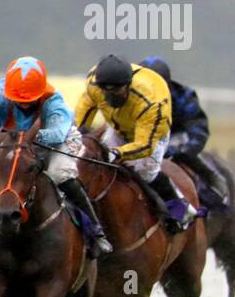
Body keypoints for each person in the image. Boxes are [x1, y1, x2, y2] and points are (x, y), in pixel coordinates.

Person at [0, 56, 113, 256]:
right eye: (18, 100)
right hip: (16, 143)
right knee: (5, 173)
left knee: (60, 173)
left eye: (29, 100)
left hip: (52, 142)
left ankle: (95, 231)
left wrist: (25, 139)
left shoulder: (53, 101)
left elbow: (57, 133)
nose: (23, 105)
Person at [73, 54, 196, 233]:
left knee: (145, 173)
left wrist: (117, 153)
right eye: (105, 90)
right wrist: (74, 135)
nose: (109, 95)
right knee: (91, 160)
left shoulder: (152, 101)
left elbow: (144, 146)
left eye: (115, 90)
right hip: (118, 126)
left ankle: (179, 207)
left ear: (128, 85)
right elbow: (82, 118)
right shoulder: (94, 84)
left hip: (152, 134)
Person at [139, 56, 228, 209]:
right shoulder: (133, 97)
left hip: (176, 139)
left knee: (188, 154)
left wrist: (185, 149)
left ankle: (214, 183)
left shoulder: (184, 96)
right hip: (145, 141)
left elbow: (198, 128)